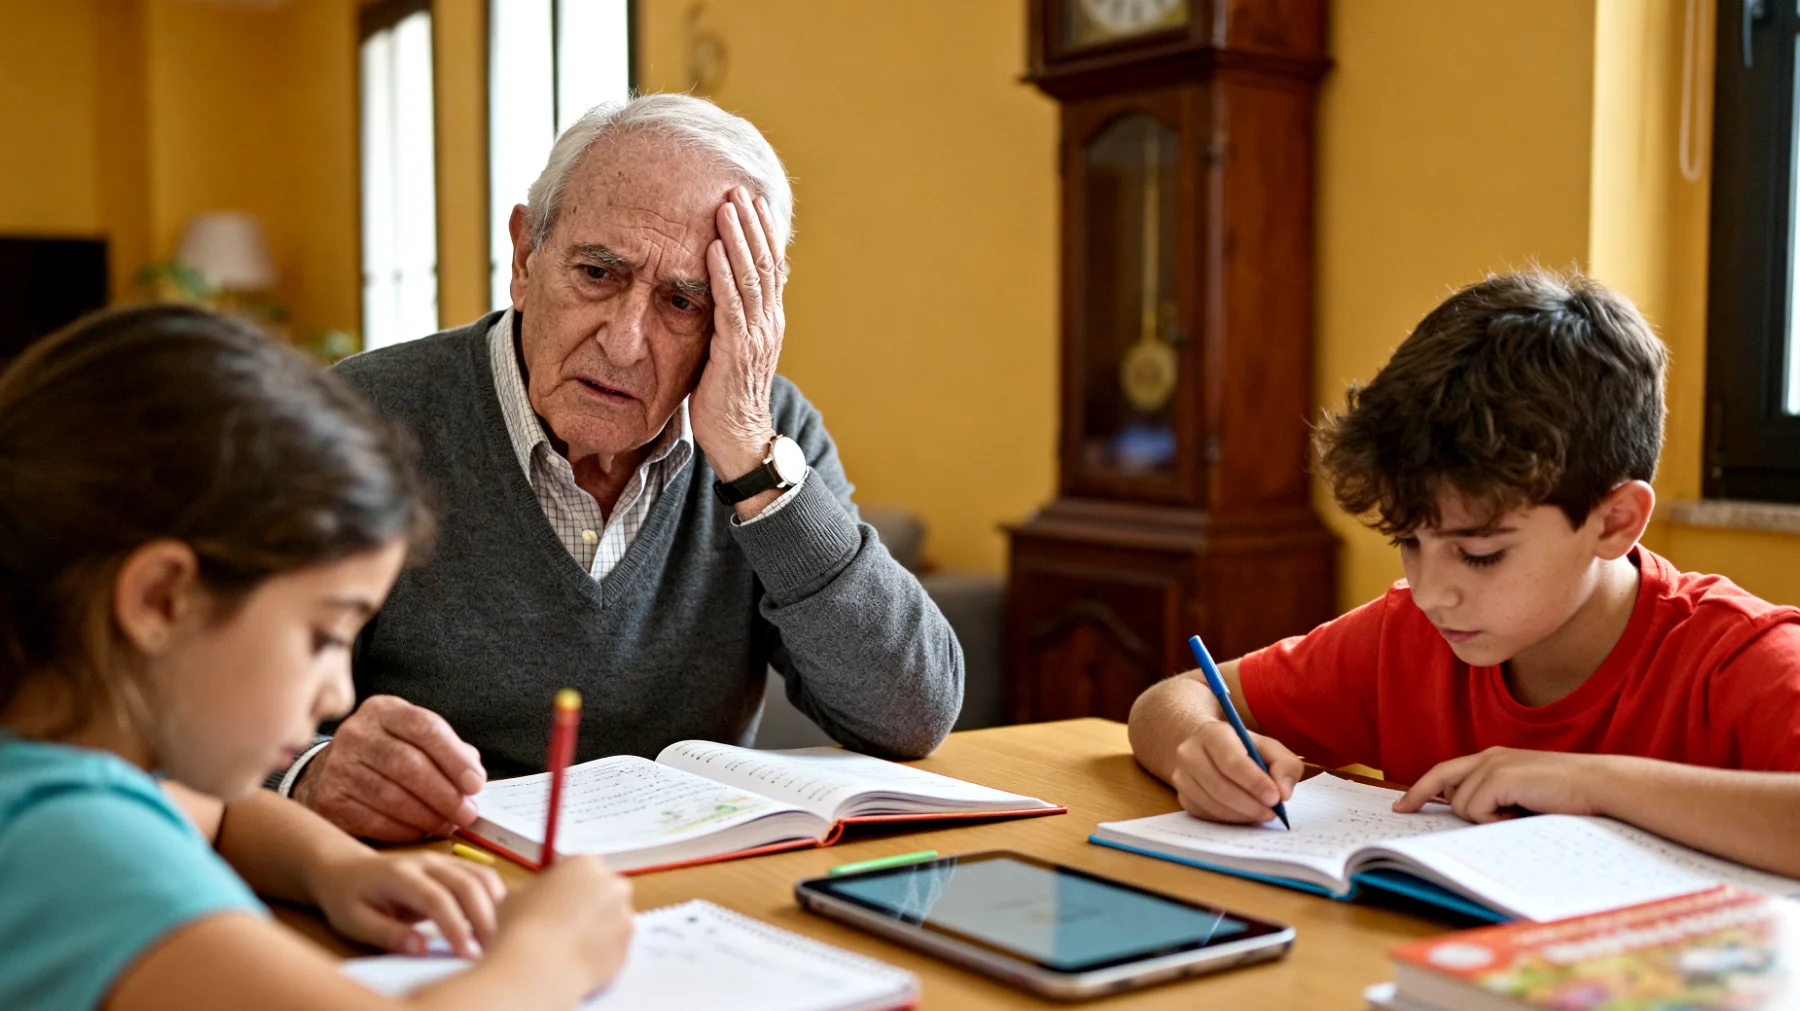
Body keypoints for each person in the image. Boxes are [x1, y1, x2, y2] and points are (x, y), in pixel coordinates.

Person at [274, 93, 964, 843]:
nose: (627, 342)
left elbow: (912, 715)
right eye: (598, 273)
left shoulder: (769, 432)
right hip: (433, 884)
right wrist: (309, 775)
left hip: (697, 890)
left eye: (682, 301)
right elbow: (196, 719)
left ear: (741, 317)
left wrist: (752, 460)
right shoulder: (354, 417)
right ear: (525, 257)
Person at [0, 305, 634, 1009]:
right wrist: (548, 955)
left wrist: (334, 867)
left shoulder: (62, 762)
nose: (337, 693)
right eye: (326, 636)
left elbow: (211, 810)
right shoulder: (79, 848)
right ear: (160, 600)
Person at [1127, 269, 1800, 876]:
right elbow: (1170, 699)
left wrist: (1595, 784)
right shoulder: (1408, 636)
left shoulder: (1735, 656)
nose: (1429, 591)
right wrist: (1201, 748)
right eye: (1409, 541)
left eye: (1480, 553)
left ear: (1614, 520)